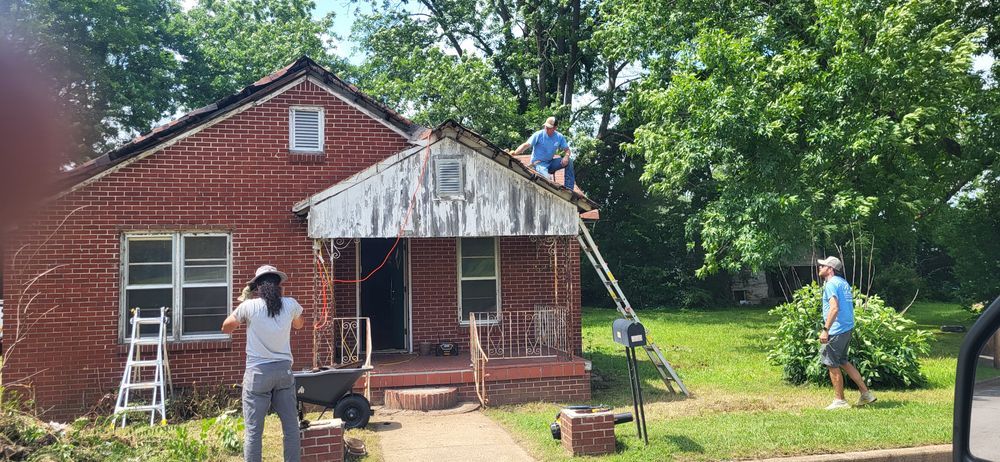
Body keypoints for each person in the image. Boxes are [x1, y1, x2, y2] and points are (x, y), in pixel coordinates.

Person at [222, 265, 306, 461]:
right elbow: (299, 325)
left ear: (257, 287)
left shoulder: (249, 307)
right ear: (279, 286)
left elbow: (226, 327)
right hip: (284, 372)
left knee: (253, 431)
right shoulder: (290, 304)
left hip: (257, 374)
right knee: (291, 428)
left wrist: (244, 301)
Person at [817, 256, 876, 410]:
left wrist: (825, 330)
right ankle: (866, 394)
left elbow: (834, 308)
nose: (820, 267)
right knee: (843, 361)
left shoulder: (831, 284)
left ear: (830, 269)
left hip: (836, 330)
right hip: (846, 328)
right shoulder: (843, 283)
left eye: (823, 265)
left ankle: (840, 400)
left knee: (831, 363)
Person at [510, 116, 576, 190]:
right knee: (547, 179)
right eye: (545, 127)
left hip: (550, 163)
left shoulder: (559, 137)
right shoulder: (538, 135)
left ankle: (569, 189)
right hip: (538, 163)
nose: (546, 129)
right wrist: (515, 153)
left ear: (555, 128)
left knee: (569, 161)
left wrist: (566, 156)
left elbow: (567, 150)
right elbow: (526, 145)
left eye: (549, 128)